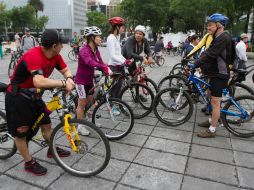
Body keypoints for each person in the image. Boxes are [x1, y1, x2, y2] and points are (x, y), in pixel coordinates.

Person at [5, 29, 75, 175]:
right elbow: (38, 81)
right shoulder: (34, 55)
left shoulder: (55, 56)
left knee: (47, 124)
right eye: (61, 43)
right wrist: (63, 83)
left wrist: (69, 79)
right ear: (54, 46)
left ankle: (52, 149)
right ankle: (28, 162)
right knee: (21, 133)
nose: (63, 46)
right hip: (18, 97)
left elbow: (66, 70)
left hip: (34, 95)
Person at [191, 13, 231, 138]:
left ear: (219, 25)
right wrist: (197, 61)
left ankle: (212, 130)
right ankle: (210, 120)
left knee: (215, 102)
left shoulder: (223, 37)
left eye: (210, 25)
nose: (208, 28)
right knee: (208, 95)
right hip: (214, 73)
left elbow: (211, 54)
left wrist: (196, 63)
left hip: (220, 74)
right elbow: (207, 52)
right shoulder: (217, 37)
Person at [75, 26, 112, 136]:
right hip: (81, 81)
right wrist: (102, 67)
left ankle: (90, 121)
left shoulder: (96, 50)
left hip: (89, 81)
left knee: (91, 101)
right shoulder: (84, 50)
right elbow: (89, 62)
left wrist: (107, 68)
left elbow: (100, 62)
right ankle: (80, 126)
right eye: (98, 37)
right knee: (81, 104)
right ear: (92, 38)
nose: (100, 39)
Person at [121, 25, 153, 102]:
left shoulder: (144, 41)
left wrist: (150, 56)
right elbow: (129, 54)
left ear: (143, 35)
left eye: (140, 34)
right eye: (137, 33)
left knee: (136, 77)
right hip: (125, 59)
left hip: (133, 60)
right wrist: (142, 58)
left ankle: (137, 95)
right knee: (128, 78)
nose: (138, 35)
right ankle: (128, 90)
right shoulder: (130, 39)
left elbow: (148, 50)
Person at [107, 16, 129, 115]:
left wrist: (125, 60)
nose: (123, 29)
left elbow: (118, 54)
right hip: (113, 66)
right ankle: (111, 107)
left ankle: (115, 104)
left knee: (119, 87)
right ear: (116, 27)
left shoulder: (116, 37)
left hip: (118, 66)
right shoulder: (111, 38)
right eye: (122, 27)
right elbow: (112, 55)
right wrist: (124, 62)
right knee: (113, 88)